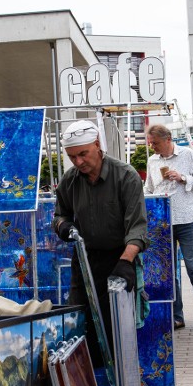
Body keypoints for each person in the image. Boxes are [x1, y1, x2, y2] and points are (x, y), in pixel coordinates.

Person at [52, 119, 149, 366]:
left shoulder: (125, 176)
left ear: (97, 145)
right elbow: (59, 214)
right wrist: (64, 226)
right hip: (84, 260)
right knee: (81, 322)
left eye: (83, 154)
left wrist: (126, 261)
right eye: (72, 157)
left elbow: (137, 226)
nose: (78, 162)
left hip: (119, 258)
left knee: (117, 325)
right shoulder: (70, 180)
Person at [144, 124, 193, 335]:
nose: (153, 147)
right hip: (162, 222)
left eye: (155, 143)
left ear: (168, 139)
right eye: (150, 144)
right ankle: (177, 317)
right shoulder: (152, 161)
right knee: (168, 273)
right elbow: (149, 188)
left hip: (186, 218)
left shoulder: (187, 154)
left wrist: (183, 178)